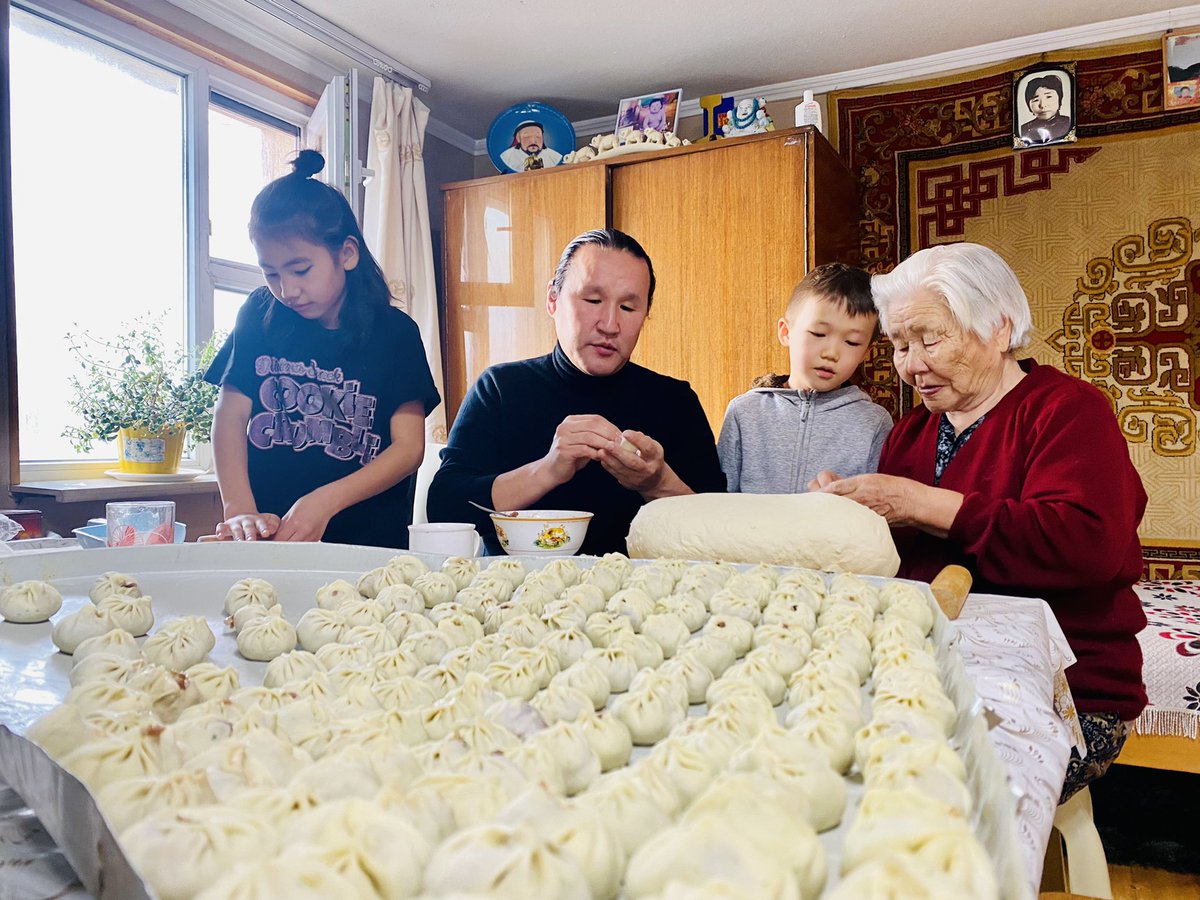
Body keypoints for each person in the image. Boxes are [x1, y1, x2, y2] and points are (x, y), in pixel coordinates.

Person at [810, 242, 1147, 802]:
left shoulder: (1068, 410)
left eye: (930, 339)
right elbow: (899, 562)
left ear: (998, 327)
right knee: (814, 759)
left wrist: (919, 502)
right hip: (933, 674)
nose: (912, 365)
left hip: (1062, 689)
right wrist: (850, 517)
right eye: (898, 346)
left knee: (915, 792)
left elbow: (1088, 545)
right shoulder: (913, 432)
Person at [427, 228, 727, 555]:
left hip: (644, 597)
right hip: (520, 594)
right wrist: (548, 469)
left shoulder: (675, 401)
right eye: (593, 300)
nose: (610, 324)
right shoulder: (502, 389)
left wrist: (656, 483)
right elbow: (445, 508)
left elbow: (718, 534)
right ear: (552, 299)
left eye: (628, 308)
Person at [205, 149, 440, 546]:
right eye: (271, 272)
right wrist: (240, 510)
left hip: (367, 542)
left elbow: (409, 448)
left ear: (346, 254)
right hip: (273, 537)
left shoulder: (395, 332)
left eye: (300, 270)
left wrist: (325, 502)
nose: (287, 290)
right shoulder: (260, 313)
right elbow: (229, 416)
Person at [718, 263, 892, 493]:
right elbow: (719, 498)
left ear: (865, 353)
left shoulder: (874, 422)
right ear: (786, 332)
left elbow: (877, 510)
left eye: (852, 342)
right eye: (819, 334)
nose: (831, 353)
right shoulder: (744, 411)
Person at [1019, 74, 1073, 144]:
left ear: (1059, 99)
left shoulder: (1068, 123)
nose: (1042, 105)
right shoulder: (1023, 129)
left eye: (1049, 97)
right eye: (1036, 100)